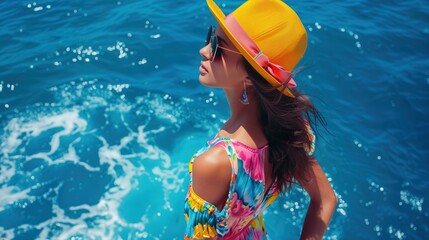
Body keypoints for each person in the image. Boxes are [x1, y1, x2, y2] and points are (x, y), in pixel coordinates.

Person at [184, 0, 338, 239]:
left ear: (250, 75)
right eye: (210, 37)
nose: (204, 50)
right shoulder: (292, 133)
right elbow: (326, 200)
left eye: (218, 46)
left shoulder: (216, 163)